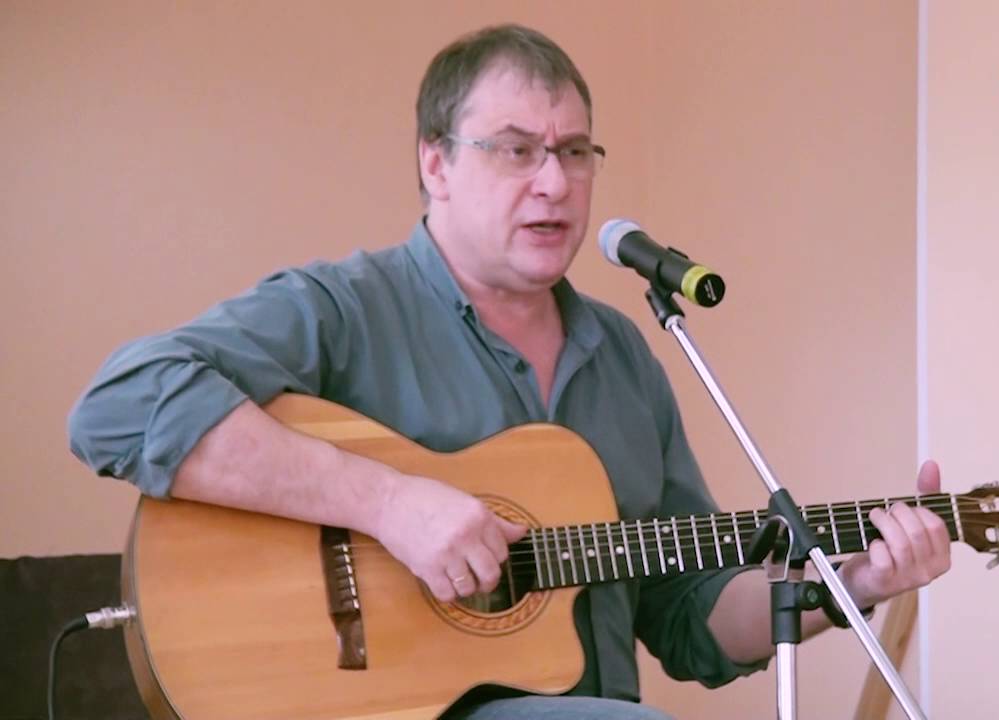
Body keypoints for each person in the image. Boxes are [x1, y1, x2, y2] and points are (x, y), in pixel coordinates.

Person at [67, 23, 950, 720]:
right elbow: (117, 407)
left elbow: (689, 615)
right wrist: (391, 504)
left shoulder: (625, 355)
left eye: (575, 152)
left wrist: (851, 587)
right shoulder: (344, 308)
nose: (555, 184)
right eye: (517, 149)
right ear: (436, 162)